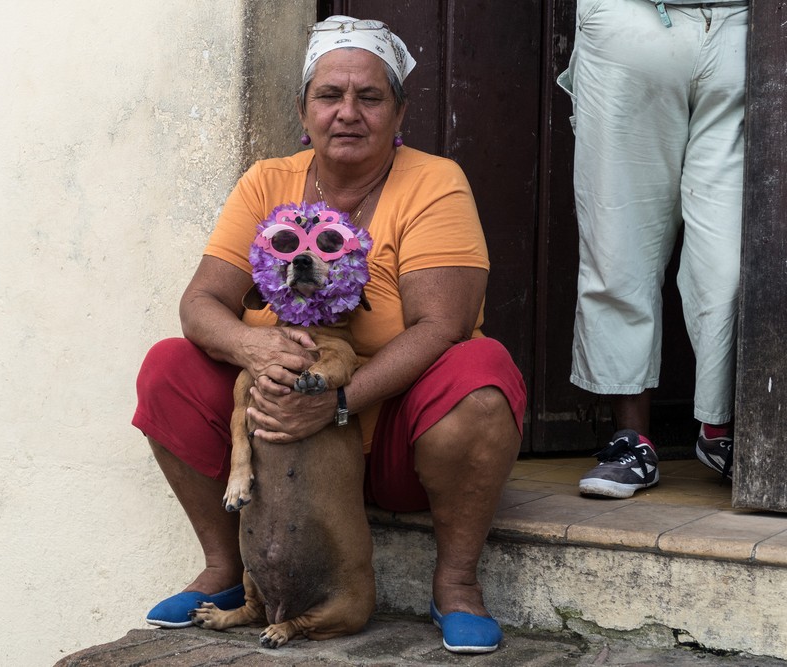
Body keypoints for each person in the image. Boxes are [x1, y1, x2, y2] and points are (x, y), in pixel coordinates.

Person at [133, 16, 526, 654]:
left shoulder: (434, 182)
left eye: (369, 97)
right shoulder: (267, 182)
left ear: (399, 112)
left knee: (480, 372)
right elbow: (202, 303)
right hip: (276, 443)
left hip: (392, 445)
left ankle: (455, 584)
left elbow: (441, 324)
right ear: (303, 108)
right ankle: (229, 573)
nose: (348, 113)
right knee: (169, 368)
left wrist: (338, 402)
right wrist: (252, 347)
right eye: (329, 96)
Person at [558, 0, 748, 498]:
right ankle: (632, 440)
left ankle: (719, 426)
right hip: (631, 20)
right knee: (619, 244)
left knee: (730, 261)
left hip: (742, 21)